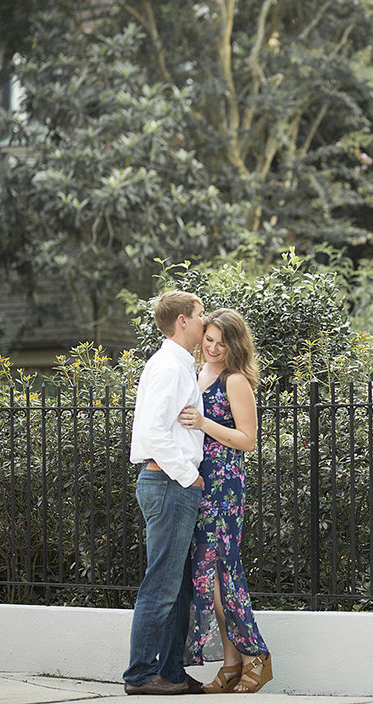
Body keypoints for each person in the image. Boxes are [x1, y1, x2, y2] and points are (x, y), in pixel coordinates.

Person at [177, 308, 273, 694]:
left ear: (235, 345)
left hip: (225, 485)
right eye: (209, 339)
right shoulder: (195, 375)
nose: (213, 347)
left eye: (222, 341)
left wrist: (203, 424)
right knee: (206, 575)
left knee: (221, 572)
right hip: (198, 482)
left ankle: (255, 657)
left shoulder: (235, 381)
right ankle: (232, 663)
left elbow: (248, 440)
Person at [123, 291, 209, 696]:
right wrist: (188, 474)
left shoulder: (178, 365)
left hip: (171, 483)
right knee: (161, 584)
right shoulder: (170, 368)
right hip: (169, 483)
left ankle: (172, 672)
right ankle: (140, 675)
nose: (204, 321)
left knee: (179, 585)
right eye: (200, 314)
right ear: (182, 321)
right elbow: (154, 432)